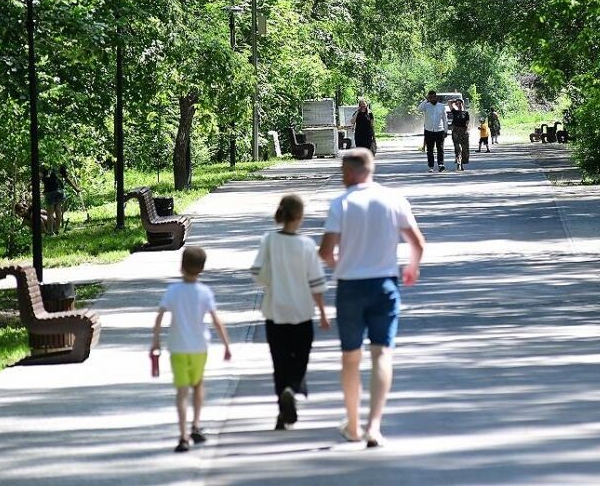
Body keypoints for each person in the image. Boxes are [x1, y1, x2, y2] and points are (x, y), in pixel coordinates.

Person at [319, 148, 425, 448]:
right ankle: (374, 427)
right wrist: (411, 268)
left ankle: (352, 425)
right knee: (381, 354)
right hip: (385, 286)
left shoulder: (341, 204)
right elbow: (417, 242)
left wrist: (342, 266)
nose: (341, 178)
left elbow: (326, 252)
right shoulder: (393, 199)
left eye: (342, 172)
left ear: (352, 172)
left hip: (350, 288)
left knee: (351, 358)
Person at [251, 194, 331, 430]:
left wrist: (271, 282)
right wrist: (323, 312)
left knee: (279, 361)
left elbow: (257, 273)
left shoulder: (269, 241)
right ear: (300, 217)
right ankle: (293, 387)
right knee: (301, 356)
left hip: (275, 311)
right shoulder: (306, 245)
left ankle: (281, 410)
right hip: (302, 311)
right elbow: (316, 282)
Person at [151, 247, 232, 453]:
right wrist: (226, 345)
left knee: (181, 391)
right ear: (202, 269)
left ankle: (183, 436)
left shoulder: (172, 291)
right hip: (199, 347)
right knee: (197, 385)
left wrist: (156, 341)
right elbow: (215, 319)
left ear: (181, 266)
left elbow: (160, 316)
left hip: (177, 347)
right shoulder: (204, 292)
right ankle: (196, 425)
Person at [41, 164, 80, 235]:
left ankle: (50, 231)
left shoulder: (44, 165)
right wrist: (76, 188)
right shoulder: (59, 164)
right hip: (59, 191)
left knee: (50, 212)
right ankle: (56, 229)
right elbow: (66, 178)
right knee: (58, 210)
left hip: (49, 191)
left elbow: (40, 176)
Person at [417, 90, 447, 172]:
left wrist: (445, 130)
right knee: (430, 149)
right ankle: (431, 166)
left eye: (433, 97)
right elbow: (419, 109)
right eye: (430, 97)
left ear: (436, 97)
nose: (432, 99)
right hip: (428, 130)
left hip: (439, 130)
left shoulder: (441, 106)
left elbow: (445, 119)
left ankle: (441, 164)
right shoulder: (426, 106)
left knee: (440, 149)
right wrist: (426, 100)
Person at [448, 98, 470, 171]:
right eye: (457, 104)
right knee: (458, 148)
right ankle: (458, 164)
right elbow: (449, 102)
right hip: (456, 131)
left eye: (460, 103)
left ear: (462, 104)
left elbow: (467, 123)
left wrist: (466, 130)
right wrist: (455, 101)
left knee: (464, 149)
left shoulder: (466, 113)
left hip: (463, 131)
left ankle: (462, 164)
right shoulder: (454, 112)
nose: (459, 105)